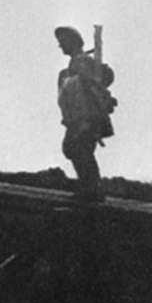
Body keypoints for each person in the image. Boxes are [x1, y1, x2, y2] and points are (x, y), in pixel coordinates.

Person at [55, 26, 116, 202]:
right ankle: (90, 187)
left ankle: (92, 190)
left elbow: (94, 86)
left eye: (63, 41)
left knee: (78, 147)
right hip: (78, 116)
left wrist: (90, 118)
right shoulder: (76, 63)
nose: (60, 46)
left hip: (86, 116)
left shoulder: (83, 62)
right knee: (75, 148)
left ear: (74, 41)